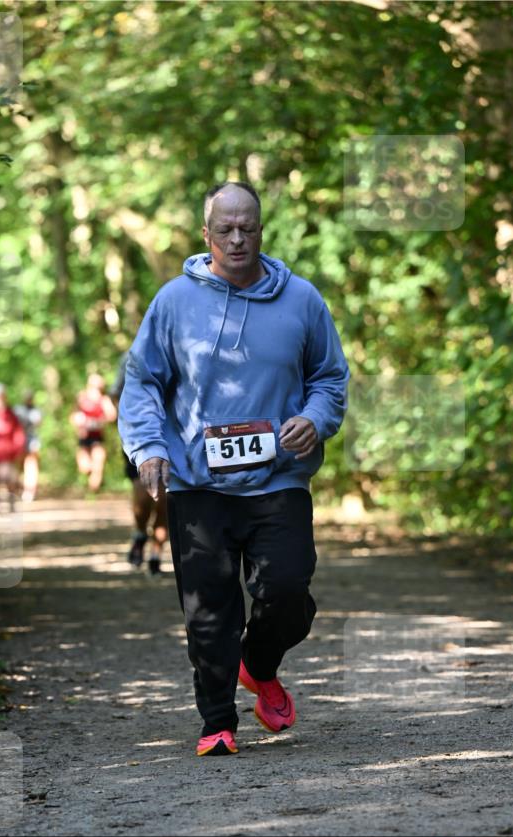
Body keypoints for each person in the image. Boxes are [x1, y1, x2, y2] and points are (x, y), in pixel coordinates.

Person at [119, 181, 350, 757]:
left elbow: (329, 377)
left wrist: (314, 419)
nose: (237, 238)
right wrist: (149, 448)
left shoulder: (302, 299)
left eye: (247, 227)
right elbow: (142, 382)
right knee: (208, 611)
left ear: (262, 230)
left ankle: (259, 663)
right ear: (207, 235)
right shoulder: (174, 301)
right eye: (225, 229)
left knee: (288, 590)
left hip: (280, 477)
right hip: (198, 483)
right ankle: (217, 722)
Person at [110, 351, 168, 576]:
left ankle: (156, 554)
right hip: (140, 436)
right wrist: (127, 422)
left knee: (165, 499)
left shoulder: (181, 350)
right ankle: (139, 533)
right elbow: (115, 394)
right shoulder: (131, 357)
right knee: (144, 497)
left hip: (172, 436)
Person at [71, 372, 117, 494]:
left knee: (98, 465)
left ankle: (93, 491)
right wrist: (78, 420)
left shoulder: (104, 399)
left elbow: (112, 415)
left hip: (98, 437)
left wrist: (102, 420)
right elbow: (73, 415)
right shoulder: (82, 397)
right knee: (84, 467)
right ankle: (92, 481)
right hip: (84, 436)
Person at [14, 391, 42, 503]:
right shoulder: (18, 410)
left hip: (32, 440)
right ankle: (18, 489)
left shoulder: (36, 411)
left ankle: (29, 491)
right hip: (18, 440)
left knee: (31, 464)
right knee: (18, 466)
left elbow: (38, 423)